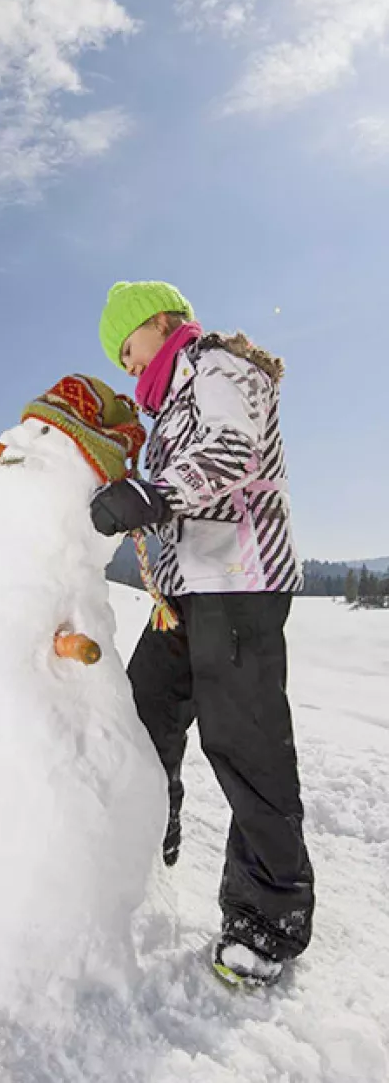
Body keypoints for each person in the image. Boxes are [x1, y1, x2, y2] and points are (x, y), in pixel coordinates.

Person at [88, 280, 313, 988]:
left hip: (242, 582)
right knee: (139, 712)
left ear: (162, 323)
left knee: (243, 744)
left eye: (130, 348)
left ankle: (265, 921)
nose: (130, 366)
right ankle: (146, 834)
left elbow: (232, 450)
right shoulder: (165, 409)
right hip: (184, 595)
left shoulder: (218, 366)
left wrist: (157, 492)